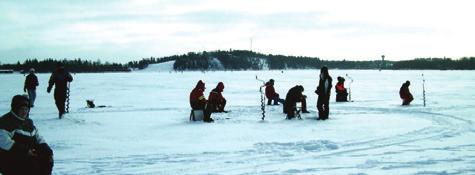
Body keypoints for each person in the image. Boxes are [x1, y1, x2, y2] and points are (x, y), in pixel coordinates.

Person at [0, 95, 54, 175]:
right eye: (22, 109)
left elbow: (38, 137)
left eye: (26, 109)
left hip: (29, 153)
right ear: (15, 109)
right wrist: (25, 151)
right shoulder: (5, 122)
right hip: (10, 157)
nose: (24, 112)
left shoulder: (28, 122)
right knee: (32, 165)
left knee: (46, 159)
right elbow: (4, 142)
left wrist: (46, 149)